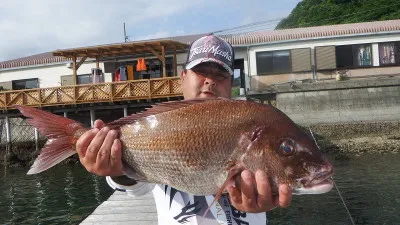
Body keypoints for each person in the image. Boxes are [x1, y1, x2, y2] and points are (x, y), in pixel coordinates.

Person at [76, 34, 292, 224]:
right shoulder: (163, 121)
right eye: (201, 72)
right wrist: (117, 170)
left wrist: (269, 197)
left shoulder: (251, 122)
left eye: (220, 75)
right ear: (183, 78)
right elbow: (139, 188)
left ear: (230, 82)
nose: (210, 81)